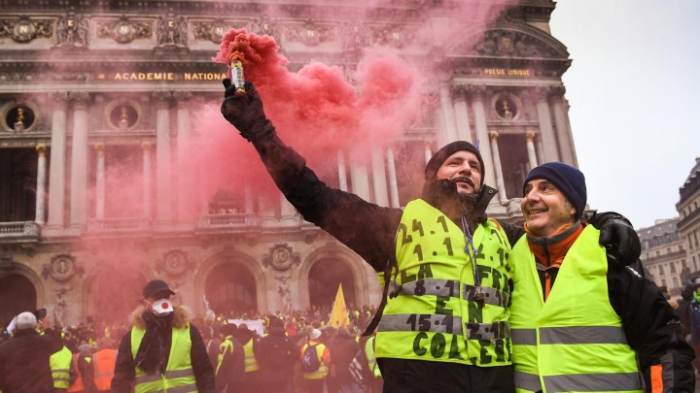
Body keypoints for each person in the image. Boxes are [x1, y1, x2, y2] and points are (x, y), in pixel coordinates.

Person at [220, 80, 642, 392]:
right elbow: (311, 194)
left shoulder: (506, 236)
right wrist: (260, 131)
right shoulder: (394, 226)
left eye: (474, 166)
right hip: (421, 382)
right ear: (432, 176)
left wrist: (607, 221)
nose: (465, 169)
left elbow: (562, 233)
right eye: (454, 162)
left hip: (494, 383)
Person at [509, 162, 695, 392]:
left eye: (546, 188)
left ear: (572, 206)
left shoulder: (612, 254)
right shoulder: (508, 254)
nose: (530, 197)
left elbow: (664, 348)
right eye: (527, 190)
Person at [111, 279, 215, 393]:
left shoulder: (188, 331)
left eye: (166, 297)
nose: (163, 301)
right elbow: (122, 379)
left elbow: (204, 372)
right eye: (157, 298)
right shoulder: (131, 337)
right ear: (145, 303)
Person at [0, 312, 63, 393]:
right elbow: (58, 343)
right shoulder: (43, 342)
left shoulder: (4, 347)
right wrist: (48, 328)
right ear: (35, 326)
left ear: (16, 327)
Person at [256, 317, 297, 392]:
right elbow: (295, 355)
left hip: (267, 375)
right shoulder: (288, 340)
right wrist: (289, 366)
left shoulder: (264, 340)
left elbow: (258, 355)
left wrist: (263, 366)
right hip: (284, 374)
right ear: (282, 326)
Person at [215, 323, 245, 393]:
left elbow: (222, 362)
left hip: (228, 380)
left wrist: (218, 378)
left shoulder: (227, 343)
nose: (219, 335)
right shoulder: (238, 343)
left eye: (221, 333)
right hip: (239, 378)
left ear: (224, 333)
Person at [301, 329, 332, 393]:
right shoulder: (322, 347)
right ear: (319, 337)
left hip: (307, 375)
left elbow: (301, 359)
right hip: (319, 376)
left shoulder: (304, 347)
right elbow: (327, 362)